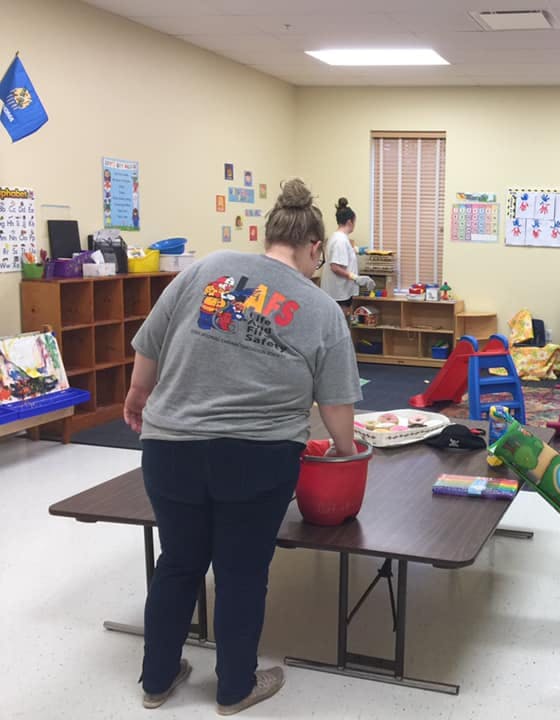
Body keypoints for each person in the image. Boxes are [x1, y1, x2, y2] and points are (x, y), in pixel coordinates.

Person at [123, 178, 362, 715]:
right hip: (257, 458)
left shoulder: (207, 269)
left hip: (171, 447)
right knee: (240, 571)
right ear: (315, 249)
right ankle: (234, 688)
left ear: (268, 233)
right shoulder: (321, 309)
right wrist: (348, 449)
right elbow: (338, 409)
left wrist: (139, 398)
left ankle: (157, 681)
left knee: (179, 562)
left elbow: (150, 343)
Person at [319, 197, 375, 313]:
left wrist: (357, 250)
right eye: (355, 222)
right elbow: (335, 267)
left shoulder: (338, 237)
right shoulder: (340, 240)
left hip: (339, 292)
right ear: (350, 222)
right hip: (338, 294)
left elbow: (342, 254)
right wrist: (355, 277)